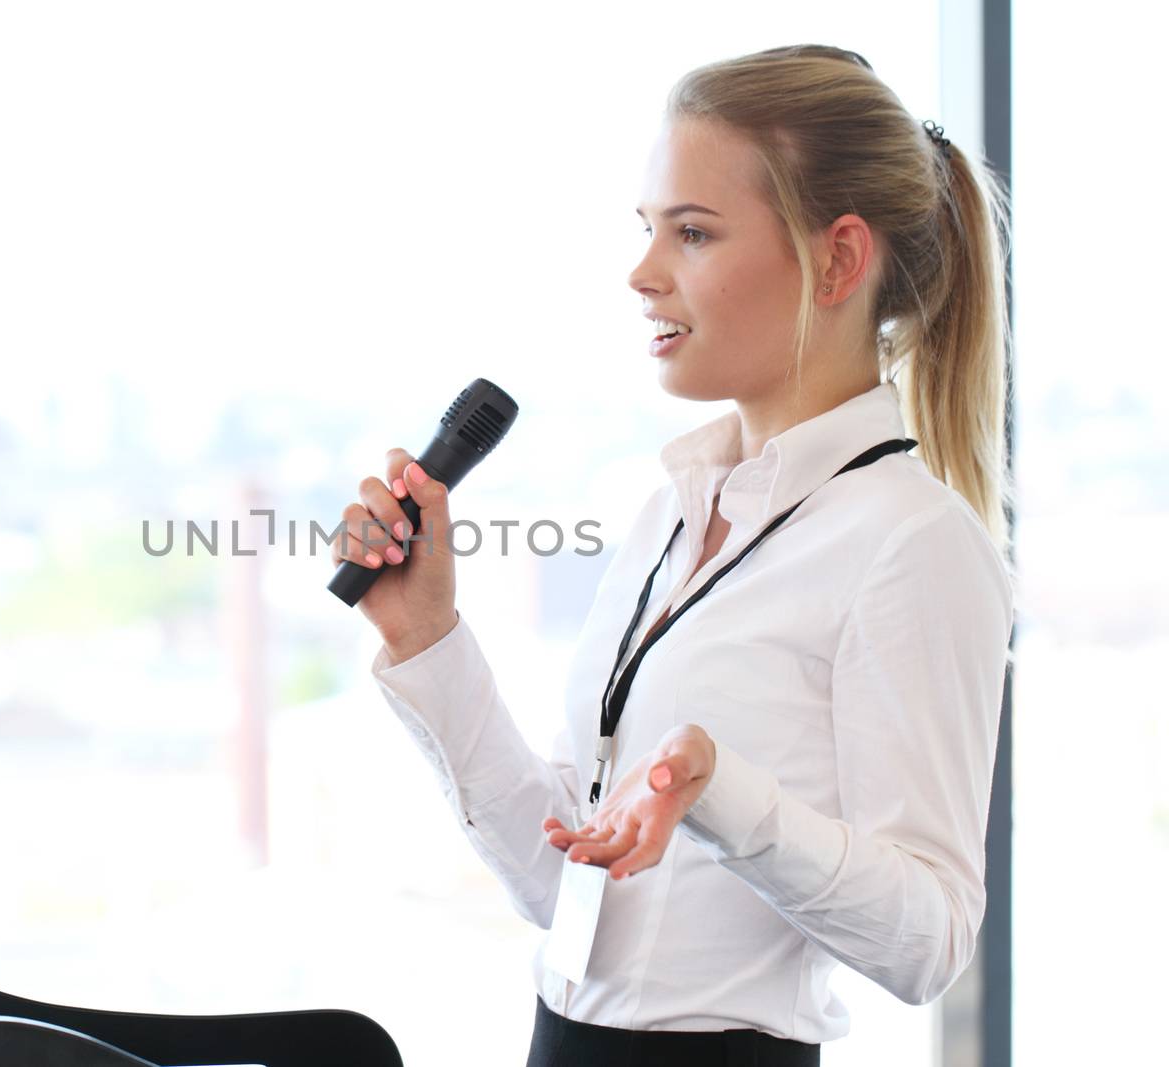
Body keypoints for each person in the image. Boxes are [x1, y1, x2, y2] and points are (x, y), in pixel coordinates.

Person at [329, 44, 1016, 1066]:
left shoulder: (911, 543)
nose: (642, 273)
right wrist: (424, 634)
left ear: (836, 260)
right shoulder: (670, 514)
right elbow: (559, 877)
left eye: (691, 232)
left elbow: (928, 941)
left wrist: (716, 788)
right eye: (649, 230)